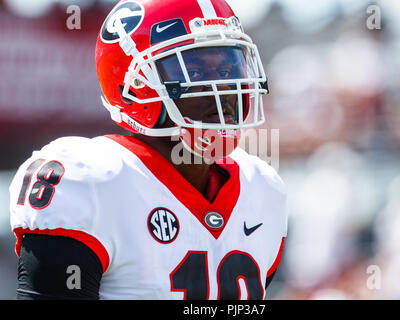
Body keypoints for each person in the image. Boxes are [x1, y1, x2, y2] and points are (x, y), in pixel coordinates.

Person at [9, 0, 287, 300]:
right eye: (194, 71)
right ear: (134, 88)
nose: (224, 88)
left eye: (227, 68)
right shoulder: (90, 181)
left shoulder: (262, 187)